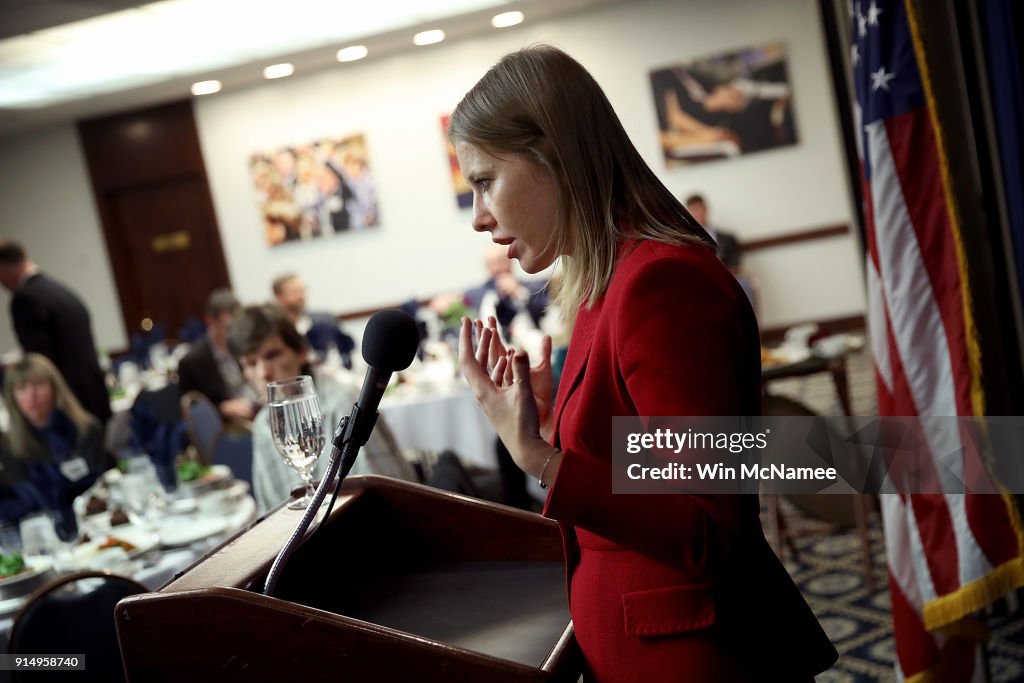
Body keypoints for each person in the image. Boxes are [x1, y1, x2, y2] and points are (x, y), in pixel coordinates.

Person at [449, 46, 836, 682]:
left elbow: (710, 529)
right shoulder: (611, 280)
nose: (479, 217)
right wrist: (553, 431)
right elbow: (648, 469)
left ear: (554, 157)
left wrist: (541, 461)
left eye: (485, 181)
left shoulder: (660, 284)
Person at [226, 304, 415, 515]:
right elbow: (270, 510)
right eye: (251, 363)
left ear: (300, 351)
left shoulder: (341, 403)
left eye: (272, 355)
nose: (263, 373)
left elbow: (387, 498)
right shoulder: (263, 424)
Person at [0, 240, 112, 426]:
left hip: (68, 402)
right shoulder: (61, 291)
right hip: (93, 391)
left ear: (5, 268)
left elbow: (39, 363)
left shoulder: (25, 299)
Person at [0, 354, 110, 539]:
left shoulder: (87, 430)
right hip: (43, 535)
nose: (31, 395)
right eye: (21, 388)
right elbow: (27, 502)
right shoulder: (9, 446)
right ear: (13, 397)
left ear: (55, 388)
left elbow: (97, 484)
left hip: (97, 524)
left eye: (38, 385)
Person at [177, 289, 260, 421]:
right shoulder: (193, 362)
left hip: (257, 409)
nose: (235, 331)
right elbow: (191, 412)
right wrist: (222, 408)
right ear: (210, 321)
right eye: (228, 326)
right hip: (228, 427)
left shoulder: (245, 344)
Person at [464, 244, 549, 344]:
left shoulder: (534, 287)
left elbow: (544, 310)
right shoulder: (475, 294)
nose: (496, 268)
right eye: (491, 264)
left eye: (500, 261)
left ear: (510, 261)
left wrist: (519, 292)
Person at [271, 273, 355, 366]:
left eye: (302, 291)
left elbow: (347, 351)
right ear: (279, 297)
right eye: (295, 292)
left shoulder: (324, 322)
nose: (301, 296)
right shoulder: (273, 332)